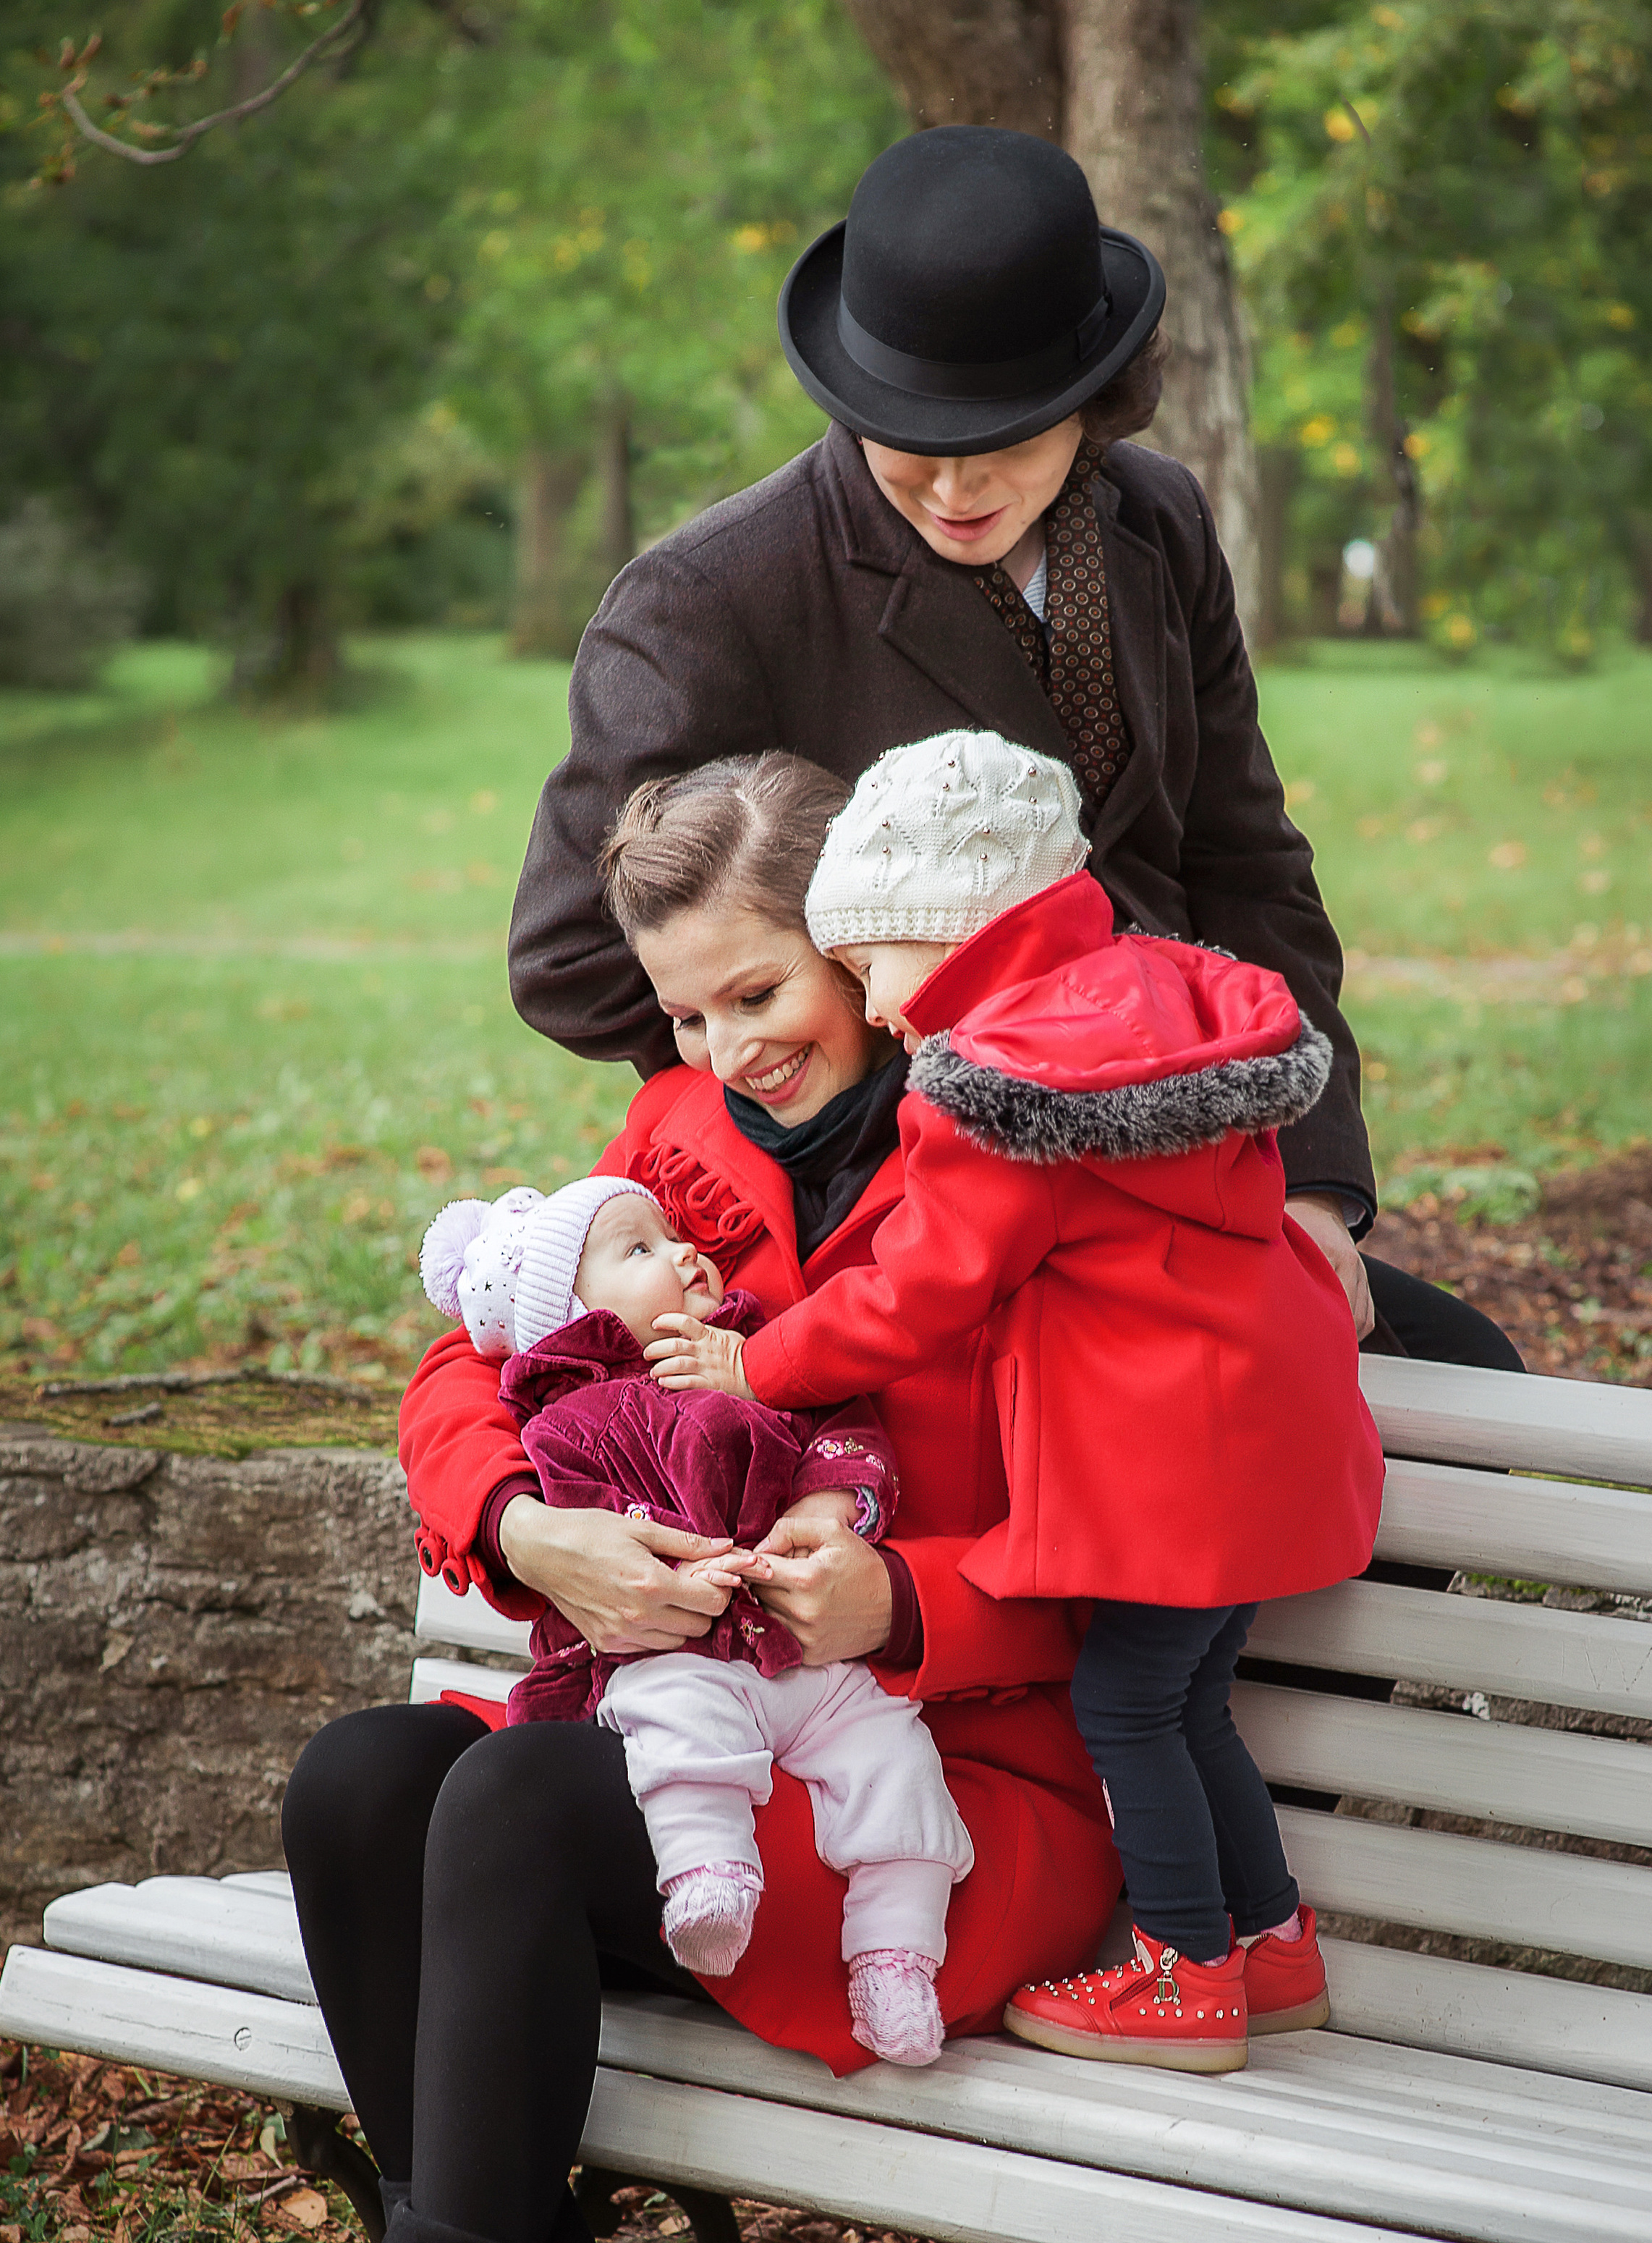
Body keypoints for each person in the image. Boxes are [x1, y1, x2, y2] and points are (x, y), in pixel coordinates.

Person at [212, 749, 1122, 2243]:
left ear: (871, 946)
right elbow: (467, 1376)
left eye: (764, 992)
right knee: (367, 1775)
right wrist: (532, 1522)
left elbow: (1140, 1540)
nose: (729, 1045)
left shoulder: (1028, 1157)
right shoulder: (676, 1138)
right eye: (688, 1008)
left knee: (529, 1791)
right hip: (700, 1744)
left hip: (936, 1782)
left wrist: (908, 1595)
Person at [507, 122, 1523, 1385]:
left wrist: (1314, 1191)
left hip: (1183, 1149)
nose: (953, 488)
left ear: (1089, 402)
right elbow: (568, 955)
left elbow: (1245, 864)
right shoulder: (706, 600)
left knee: (1459, 1373)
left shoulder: (1162, 521)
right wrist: (842, 1110)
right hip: (923, 1213)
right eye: (913, 445)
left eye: (1004, 443)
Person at [653, 731, 1384, 2070]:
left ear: (949, 936)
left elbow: (916, 1292)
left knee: (1128, 1711)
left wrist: (760, 1365)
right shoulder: (1151, 1007)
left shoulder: (1005, 1092)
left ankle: (1183, 1973)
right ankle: (1269, 1944)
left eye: (872, 967)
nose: (876, 1011)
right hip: (1266, 1442)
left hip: (1169, 1471)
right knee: (1191, 1703)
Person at [416, 1173, 973, 2061]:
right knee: (675, 1719)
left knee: (893, 1758)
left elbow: (843, 1426)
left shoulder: (757, 1351)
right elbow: (594, 1524)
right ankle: (709, 1876)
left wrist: (834, 1508)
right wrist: (561, 1537)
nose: (685, 1252)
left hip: (809, 1649)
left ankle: (895, 1957)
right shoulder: (570, 1422)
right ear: (571, 1316)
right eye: (640, 1250)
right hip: (684, 1644)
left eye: (674, 1237)